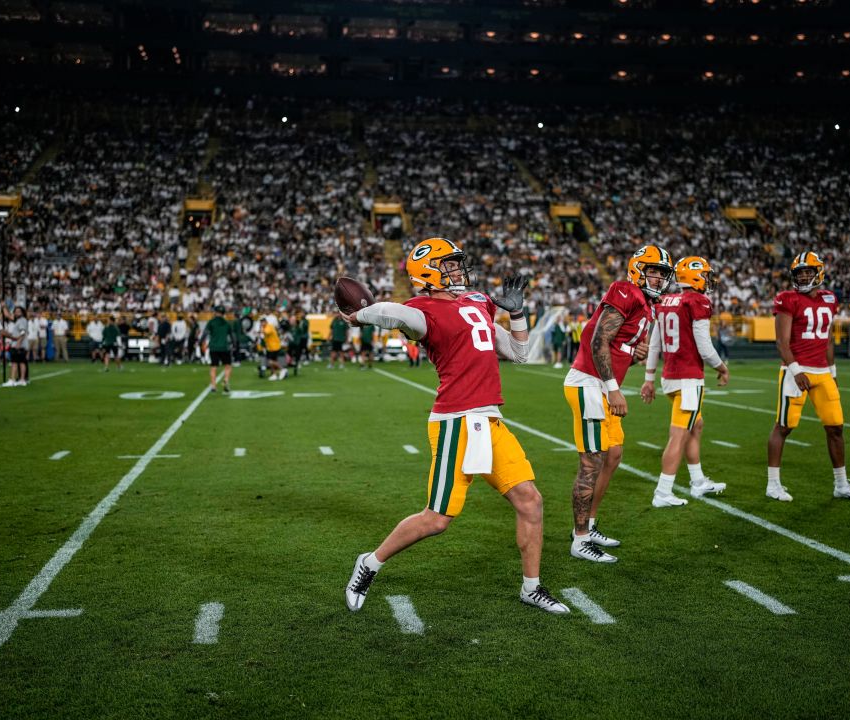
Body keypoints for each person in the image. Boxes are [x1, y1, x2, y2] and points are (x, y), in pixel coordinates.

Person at [344, 237, 570, 615]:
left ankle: (531, 588)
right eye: (448, 264)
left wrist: (517, 315)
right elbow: (394, 313)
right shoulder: (422, 310)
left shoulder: (478, 302)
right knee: (437, 520)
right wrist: (361, 314)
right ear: (429, 272)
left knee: (531, 502)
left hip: (490, 420)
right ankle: (369, 563)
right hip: (456, 421)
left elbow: (519, 353)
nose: (457, 270)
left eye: (455, 263)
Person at [562, 244, 671, 562]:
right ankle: (580, 539)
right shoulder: (626, 291)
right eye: (653, 270)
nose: (658, 278)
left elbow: (617, 345)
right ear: (638, 270)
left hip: (603, 385)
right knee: (591, 462)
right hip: (588, 384)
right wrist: (612, 389)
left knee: (613, 455)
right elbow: (597, 339)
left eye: (662, 273)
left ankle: (590, 524)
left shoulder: (650, 305)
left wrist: (632, 354)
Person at [765, 252, 850, 503]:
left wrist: (833, 373)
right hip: (796, 371)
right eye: (799, 272)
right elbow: (781, 342)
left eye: (808, 272)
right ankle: (773, 484)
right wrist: (795, 370)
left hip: (822, 371)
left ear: (819, 273)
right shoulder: (787, 299)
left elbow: (828, 339)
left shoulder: (829, 298)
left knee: (836, 427)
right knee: (784, 427)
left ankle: (842, 485)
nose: (803, 276)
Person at [640, 257, 730, 507]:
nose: (708, 280)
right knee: (678, 435)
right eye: (705, 275)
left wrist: (649, 379)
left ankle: (698, 480)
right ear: (695, 276)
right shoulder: (697, 301)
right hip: (688, 379)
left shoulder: (665, 300)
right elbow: (704, 345)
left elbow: (655, 342)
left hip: (670, 377)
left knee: (695, 425)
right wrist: (721, 367)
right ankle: (663, 491)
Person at [203, 306, 235, 392]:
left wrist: (200, 342)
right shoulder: (227, 323)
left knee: (213, 367)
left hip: (213, 347)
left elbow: (205, 333)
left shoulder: (211, 322)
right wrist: (235, 345)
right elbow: (232, 336)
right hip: (224, 347)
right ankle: (226, 380)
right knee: (228, 366)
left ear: (215, 312)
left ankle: (213, 386)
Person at [6, 306, 30, 386]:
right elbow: (8, 315)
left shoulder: (22, 320)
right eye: (16, 311)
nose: (17, 313)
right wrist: (4, 307)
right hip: (21, 345)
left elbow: (22, 332)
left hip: (18, 345)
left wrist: (18, 343)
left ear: (22, 312)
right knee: (21, 362)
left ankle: (13, 380)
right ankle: (22, 380)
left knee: (14, 362)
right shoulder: (20, 320)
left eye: (19, 311)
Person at [260, 316, 288, 381]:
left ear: (265, 321)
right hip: (270, 347)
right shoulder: (264, 327)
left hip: (274, 347)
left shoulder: (269, 326)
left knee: (271, 361)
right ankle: (274, 374)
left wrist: (261, 331)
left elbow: (267, 332)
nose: (262, 323)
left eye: (263, 322)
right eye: (261, 322)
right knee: (271, 362)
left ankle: (282, 369)